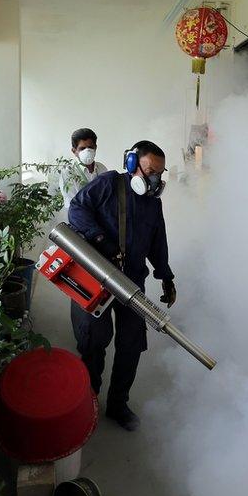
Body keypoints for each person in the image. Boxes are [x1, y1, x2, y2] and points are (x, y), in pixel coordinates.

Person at [67, 140, 176, 431]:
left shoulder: (153, 203)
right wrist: (100, 238)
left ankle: (118, 404)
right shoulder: (107, 184)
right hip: (97, 278)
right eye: (150, 171)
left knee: (131, 345)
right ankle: (88, 401)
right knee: (94, 342)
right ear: (131, 164)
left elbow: (157, 241)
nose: (155, 180)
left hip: (132, 281)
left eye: (159, 174)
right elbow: (77, 210)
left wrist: (165, 275)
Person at [58, 128, 108, 208]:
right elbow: (72, 204)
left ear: (95, 148)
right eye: (82, 148)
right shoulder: (68, 173)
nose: (87, 151)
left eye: (90, 147)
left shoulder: (102, 168)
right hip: (81, 218)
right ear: (74, 151)